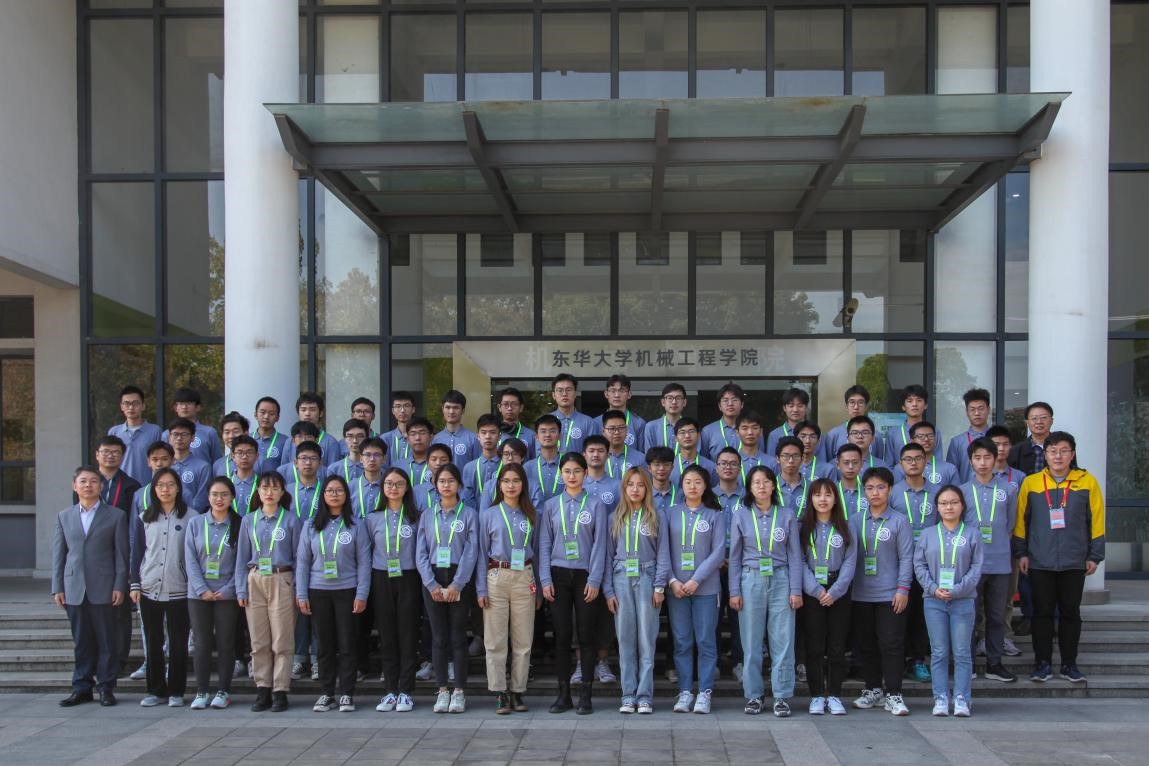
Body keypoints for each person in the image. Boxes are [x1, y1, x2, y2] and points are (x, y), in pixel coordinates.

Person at [1013, 431, 1105, 683]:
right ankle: (1042, 663)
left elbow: (1097, 520)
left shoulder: (1087, 482)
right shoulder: (1031, 483)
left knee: (1070, 613)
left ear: (1072, 454)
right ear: (1045, 454)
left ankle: (1069, 664)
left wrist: (1095, 555)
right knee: (1041, 613)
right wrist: (1021, 553)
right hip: (1039, 560)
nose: (1058, 456)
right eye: (1053, 451)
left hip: (1074, 561)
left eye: (1064, 451)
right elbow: (1021, 521)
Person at [728, 465, 803, 717]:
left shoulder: (787, 515)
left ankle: (781, 695)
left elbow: (795, 556)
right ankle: (754, 695)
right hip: (750, 579)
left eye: (766, 481)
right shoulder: (741, 515)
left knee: (783, 640)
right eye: (756, 482)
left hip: (781, 578)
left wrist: (796, 589)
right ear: (749, 488)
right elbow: (734, 556)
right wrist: (734, 590)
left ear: (773, 486)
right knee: (751, 642)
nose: (761, 486)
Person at [53, 466, 129, 708]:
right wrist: (57, 587)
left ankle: (106, 687)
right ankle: (81, 687)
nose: (88, 485)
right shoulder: (64, 516)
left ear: (101, 486)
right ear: (74, 486)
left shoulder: (116, 515)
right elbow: (59, 555)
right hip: (74, 587)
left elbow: (121, 555)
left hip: (105, 587)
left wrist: (120, 585)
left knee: (107, 641)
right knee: (81, 641)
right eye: (83, 481)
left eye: (93, 481)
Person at [540, 452, 609, 715]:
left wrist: (595, 579)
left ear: (585, 473)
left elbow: (600, 544)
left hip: (585, 575)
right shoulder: (551, 505)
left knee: (586, 635)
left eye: (577, 471)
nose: (572, 476)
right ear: (561, 474)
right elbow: (544, 543)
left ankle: (586, 695)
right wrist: (545, 578)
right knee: (562, 635)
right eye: (567, 471)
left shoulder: (595, 505)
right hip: (558, 574)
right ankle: (563, 694)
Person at [298, 475, 371, 713]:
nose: (334, 494)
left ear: (346, 495)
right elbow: (302, 562)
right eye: (330, 490)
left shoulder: (356, 525)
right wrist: (302, 594)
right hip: (318, 590)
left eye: (339, 490)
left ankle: (347, 693)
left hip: (347, 590)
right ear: (323, 495)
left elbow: (364, 562)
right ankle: (327, 692)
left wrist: (362, 594)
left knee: (347, 643)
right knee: (324, 645)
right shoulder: (310, 525)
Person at [915, 485, 984, 717]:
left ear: (962, 505)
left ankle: (962, 698)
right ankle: (941, 697)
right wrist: (933, 589)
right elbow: (919, 565)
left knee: (962, 652)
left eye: (954, 502)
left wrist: (958, 590)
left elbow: (976, 567)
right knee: (939, 652)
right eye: (943, 503)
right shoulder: (927, 534)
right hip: (933, 601)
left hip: (963, 601)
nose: (949, 507)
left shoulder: (972, 534)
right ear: (937, 507)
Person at [850, 467, 913, 716]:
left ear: (890, 489)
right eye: (869, 488)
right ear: (863, 491)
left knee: (891, 644)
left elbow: (906, 558)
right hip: (860, 594)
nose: (875, 492)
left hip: (891, 594)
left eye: (880, 487)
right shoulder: (855, 520)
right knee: (866, 645)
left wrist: (903, 589)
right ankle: (873, 689)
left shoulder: (899, 521)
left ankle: (894, 693)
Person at [415, 463, 478, 714]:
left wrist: (457, 584)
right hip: (432, 577)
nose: (446, 485)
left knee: (458, 636)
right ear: (435, 485)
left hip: (458, 576)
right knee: (438, 636)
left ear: (459, 485)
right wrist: (431, 583)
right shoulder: (427, 515)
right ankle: (442, 690)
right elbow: (420, 552)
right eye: (441, 481)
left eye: (451, 481)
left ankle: (459, 691)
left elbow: (471, 551)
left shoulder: (469, 514)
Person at [129, 467, 195, 707]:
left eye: (170, 485)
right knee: (153, 641)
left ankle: (176, 691)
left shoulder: (191, 517)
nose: (165, 489)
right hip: (149, 587)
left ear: (178, 488)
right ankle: (156, 691)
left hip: (180, 588)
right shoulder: (144, 517)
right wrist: (134, 584)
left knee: (178, 643)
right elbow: (137, 552)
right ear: (154, 489)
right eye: (160, 485)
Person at [603, 468, 667, 714]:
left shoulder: (656, 516)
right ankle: (628, 694)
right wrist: (609, 591)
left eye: (640, 485)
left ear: (647, 489)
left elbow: (663, 553)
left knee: (646, 639)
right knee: (625, 638)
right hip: (621, 577)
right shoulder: (614, 517)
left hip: (647, 576)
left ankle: (644, 695)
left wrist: (659, 585)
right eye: (630, 484)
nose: (635, 489)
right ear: (624, 488)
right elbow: (607, 555)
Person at [663, 465, 726, 714]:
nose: (692, 486)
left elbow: (718, 552)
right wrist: (672, 580)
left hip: (706, 589)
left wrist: (696, 580)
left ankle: (705, 692)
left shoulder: (715, 515)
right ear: (681, 485)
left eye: (698, 482)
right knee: (682, 641)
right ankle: (685, 691)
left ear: (705, 485)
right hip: (676, 589)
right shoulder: (670, 513)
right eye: (688, 481)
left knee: (706, 641)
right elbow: (663, 551)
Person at [236, 471, 300, 713]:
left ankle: (280, 690)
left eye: (274, 488)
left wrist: (298, 589)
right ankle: (262, 687)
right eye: (264, 488)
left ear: (282, 492)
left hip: (281, 577)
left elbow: (299, 558)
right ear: (258, 491)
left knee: (282, 638)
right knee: (258, 639)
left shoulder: (291, 520)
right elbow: (241, 558)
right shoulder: (248, 520)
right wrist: (241, 588)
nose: (269, 493)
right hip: (255, 579)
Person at [478, 463, 539, 714]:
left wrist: (539, 584)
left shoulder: (531, 514)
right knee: (495, 639)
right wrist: (481, 589)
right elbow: (481, 553)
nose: (511, 485)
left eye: (516, 480)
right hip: (496, 575)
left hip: (524, 575)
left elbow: (538, 550)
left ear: (523, 484)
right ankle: (499, 691)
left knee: (523, 639)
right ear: (499, 485)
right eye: (506, 481)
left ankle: (517, 690)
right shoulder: (488, 514)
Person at [961, 438, 1019, 683]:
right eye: (977, 458)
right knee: (969, 616)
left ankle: (995, 664)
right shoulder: (962, 491)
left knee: (996, 616)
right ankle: (968, 664)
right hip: (970, 564)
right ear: (970, 461)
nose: (983, 463)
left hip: (1000, 563)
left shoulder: (1009, 489)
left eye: (987, 457)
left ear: (996, 459)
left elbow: (1011, 524)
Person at [799, 478, 856, 716]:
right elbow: (799, 561)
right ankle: (815, 695)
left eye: (828, 494)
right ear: (811, 499)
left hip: (838, 590)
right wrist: (815, 590)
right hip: (812, 590)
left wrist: (835, 591)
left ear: (836, 499)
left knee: (836, 646)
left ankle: (834, 695)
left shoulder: (846, 526)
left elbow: (851, 561)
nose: (822, 499)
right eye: (817, 495)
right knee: (814, 646)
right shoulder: (803, 527)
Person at [185, 476, 242, 710]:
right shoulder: (196, 523)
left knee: (226, 641)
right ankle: (202, 690)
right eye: (215, 495)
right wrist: (202, 589)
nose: (219, 499)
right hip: (198, 594)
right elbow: (189, 559)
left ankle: (223, 690)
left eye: (224, 495)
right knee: (202, 642)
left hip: (227, 594)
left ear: (232, 497)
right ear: (208, 497)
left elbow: (242, 562)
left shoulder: (240, 524)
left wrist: (227, 589)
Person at [368, 467, 423, 712]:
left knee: (408, 634)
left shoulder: (416, 517)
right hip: (382, 577)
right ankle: (390, 690)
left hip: (409, 577)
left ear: (407, 488)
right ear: (383, 488)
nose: (393, 488)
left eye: (399, 484)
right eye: (389, 483)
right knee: (387, 634)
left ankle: (406, 691)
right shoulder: (372, 518)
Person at [889, 441, 941, 684]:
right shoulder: (893, 493)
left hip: (929, 564)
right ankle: (897, 661)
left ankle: (917, 660)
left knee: (922, 614)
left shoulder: (938, 493)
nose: (913, 463)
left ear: (925, 462)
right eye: (908, 459)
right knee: (899, 614)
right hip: (898, 563)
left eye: (918, 458)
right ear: (900, 464)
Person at [108, 385, 163, 486]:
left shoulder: (155, 431)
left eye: (135, 403)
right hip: (120, 487)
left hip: (146, 486)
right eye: (126, 403)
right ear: (121, 406)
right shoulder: (114, 432)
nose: (131, 407)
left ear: (143, 406)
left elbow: (160, 461)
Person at [166, 387, 223, 465]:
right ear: (175, 408)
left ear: (198, 407)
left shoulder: (209, 432)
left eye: (189, 403)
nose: (184, 407)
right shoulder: (167, 434)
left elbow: (217, 463)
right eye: (181, 403)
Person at [281, 393, 342, 466]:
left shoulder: (330, 442)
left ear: (321, 413)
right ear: (298, 413)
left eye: (312, 410)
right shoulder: (290, 441)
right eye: (303, 410)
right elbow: (284, 468)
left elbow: (333, 470)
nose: (307, 413)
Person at [884, 385, 942, 462]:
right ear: (903, 406)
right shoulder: (893, 433)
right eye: (910, 401)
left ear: (925, 405)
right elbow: (889, 465)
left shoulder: (934, 432)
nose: (914, 404)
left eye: (919, 400)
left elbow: (938, 463)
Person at [946, 388, 991, 483]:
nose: (977, 413)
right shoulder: (957, 442)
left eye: (981, 408)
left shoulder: (996, 440)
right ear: (967, 412)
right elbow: (952, 474)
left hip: (994, 489)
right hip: (965, 491)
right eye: (972, 409)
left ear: (988, 410)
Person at [820, 385, 873, 463]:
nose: (856, 407)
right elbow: (828, 464)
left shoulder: (875, 436)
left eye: (860, 402)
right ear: (846, 406)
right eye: (852, 402)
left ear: (866, 406)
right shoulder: (833, 435)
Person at [701, 382, 753, 462]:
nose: (730, 404)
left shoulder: (752, 430)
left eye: (734, 400)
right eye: (725, 400)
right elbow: (703, 461)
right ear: (719, 406)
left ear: (742, 404)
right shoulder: (707, 431)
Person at [167, 417, 211, 511]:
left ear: (192, 438)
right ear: (169, 437)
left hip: (193, 516)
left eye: (184, 434)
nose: (179, 438)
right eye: (175, 434)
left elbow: (201, 500)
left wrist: (187, 515)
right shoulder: (164, 465)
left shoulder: (203, 467)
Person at [594, 375, 646, 452]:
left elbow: (642, 454)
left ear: (629, 394)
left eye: (622, 391)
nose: (617, 395)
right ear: (606, 394)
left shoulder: (639, 423)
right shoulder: (595, 423)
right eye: (613, 391)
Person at [463, 414, 503, 509]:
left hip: (501, 515)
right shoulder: (469, 467)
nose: (488, 436)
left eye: (492, 432)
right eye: (483, 433)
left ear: (499, 436)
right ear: (478, 436)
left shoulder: (506, 465)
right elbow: (468, 498)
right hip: (475, 515)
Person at [433, 390, 481, 468]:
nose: (451, 411)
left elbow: (477, 467)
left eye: (456, 408)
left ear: (463, 411)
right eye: (448, 407)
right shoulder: (435, 439)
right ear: (442, 409)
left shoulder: (473, 439)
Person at [550, 374, 596, 455]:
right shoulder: (546, 421)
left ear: (575, 393)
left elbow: (593, 452)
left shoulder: (588, 422)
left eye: (568, 390)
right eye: (560, 390)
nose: (564, 394)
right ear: (554, 395)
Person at [279, 440, 324, 523]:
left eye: (313, 458)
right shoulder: (285, 491)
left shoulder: (326, 491)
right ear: (296, 462)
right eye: (303, 458)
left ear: (320, 463)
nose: (308, 462)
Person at [526, 414, 562, 509]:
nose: (547, 435)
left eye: (552, 431)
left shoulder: (568, 464)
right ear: (536, 436)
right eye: (543, 431)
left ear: (560, 435)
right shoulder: (527, 467)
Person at [1009, 402, 1056, 475]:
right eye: (1034, 418)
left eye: (1043, 417)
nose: (1039, 422)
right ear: (1027, 422)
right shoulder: (1016, 450)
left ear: (1051, 421)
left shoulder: (1063, 447)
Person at [216, 434, 259, 515]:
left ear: (257, 456)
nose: (244, 456)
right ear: (233, 456)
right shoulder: (224, 485)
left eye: (249, 452)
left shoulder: (262, 485)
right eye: (240, 452)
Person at [669, 417, 718, 488]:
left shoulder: (711, 467)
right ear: (676, 438)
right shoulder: (669, 466)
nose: (687, 436)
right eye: (682, 432)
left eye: (691, 431)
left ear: (698, 435)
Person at [602, 409, 646, 480]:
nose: (617, 432)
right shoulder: (597, 459)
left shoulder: (640, 459)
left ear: (627, 430)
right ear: (603, 431)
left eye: (621, 428)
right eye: (612, 428)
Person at [766, 387, 811, 456]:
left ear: (806, 408)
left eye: (800, 406)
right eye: (791, 406)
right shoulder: (774, 435)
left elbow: (822, 460)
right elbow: (771, 461)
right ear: (784, 408)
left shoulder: (815, 434)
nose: (795, 410)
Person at [643, 382, 687, 452]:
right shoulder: (651, 427)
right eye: (670, 398)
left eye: (678, 398)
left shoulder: (690, 428)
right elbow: (649, 456)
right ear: (663, 402)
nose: (674, 402)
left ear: (684, 402)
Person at [349, 437, 387, 517]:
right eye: (367, 455)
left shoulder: (390, 485)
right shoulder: (350, 486)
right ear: (361, 459)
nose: (372, 459)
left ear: (384, 459)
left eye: (377, 455)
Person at [496, 387, 537, 458]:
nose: (509, 408)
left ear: (521, 407)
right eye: (505, 404)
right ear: (499, 407)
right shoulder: (492, 434)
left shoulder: (532, 436)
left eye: (514, 404)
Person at [775, 436, 810, 518]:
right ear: (777, 459)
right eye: (786, 456)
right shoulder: (769, 487)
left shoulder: (812, 487)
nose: (791, 461)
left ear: (802, 459)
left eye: (795, 456)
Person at [251, 396, 288, 474]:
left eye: (271, 414)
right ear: (255, 415)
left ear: (277, 418)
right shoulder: (246, 439)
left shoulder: (285, 441)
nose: (266, 417)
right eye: (262, 412)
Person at [381, 391, 416, 467]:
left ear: (413, 409)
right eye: (398, 406)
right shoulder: (385, 438)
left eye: (406, 406)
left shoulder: (419, 437)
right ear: (393, 411)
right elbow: (382, 467)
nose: (402, 410)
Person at [328, 418, 369, 483]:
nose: (355, 441)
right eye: (350, 436)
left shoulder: (373, 467)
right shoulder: (334, 469)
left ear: (366, 438)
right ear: (345, 439)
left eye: (360, 436)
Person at [833, 444, 867, 520]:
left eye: (855, 462)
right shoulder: (831, 491)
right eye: (846, 462)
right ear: (838, 464)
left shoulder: (869, 490)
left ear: (862, 464)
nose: (850, 467)